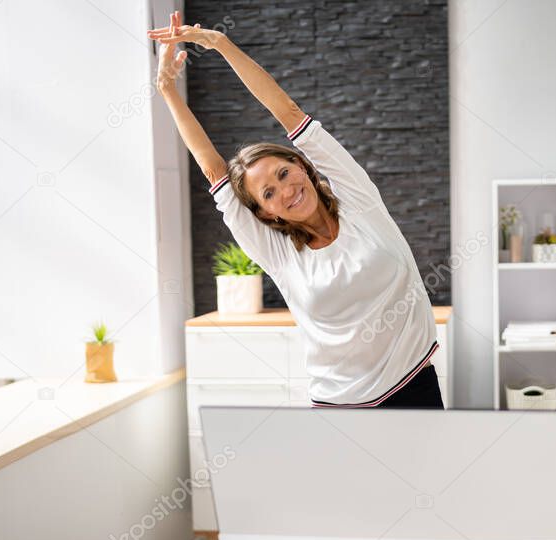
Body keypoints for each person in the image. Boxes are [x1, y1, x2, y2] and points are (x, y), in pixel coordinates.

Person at [148, 12, 443, 409]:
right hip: (339, 407)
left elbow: (287, 111)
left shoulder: (361, 203)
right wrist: (167, 89)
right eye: (268, 193)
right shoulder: (280, 254)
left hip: (414, 385)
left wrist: (221, 43)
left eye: (285, 173)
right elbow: (211, 166)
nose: (286, 190)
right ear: (266, 213)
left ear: (303, 166)